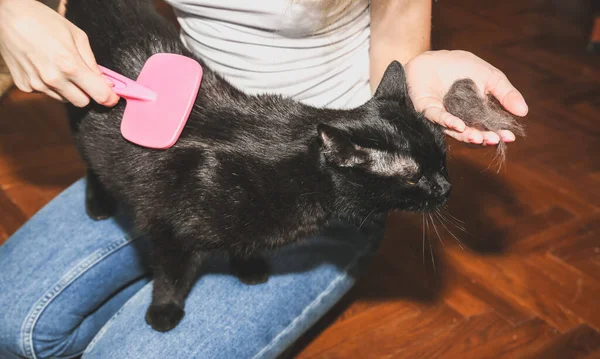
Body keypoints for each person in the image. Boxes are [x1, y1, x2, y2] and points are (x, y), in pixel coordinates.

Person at [0, 0, 529, 358]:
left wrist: (420, 67)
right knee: (12, 325)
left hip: (339, 179)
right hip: (187, 140)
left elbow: (398, 40)